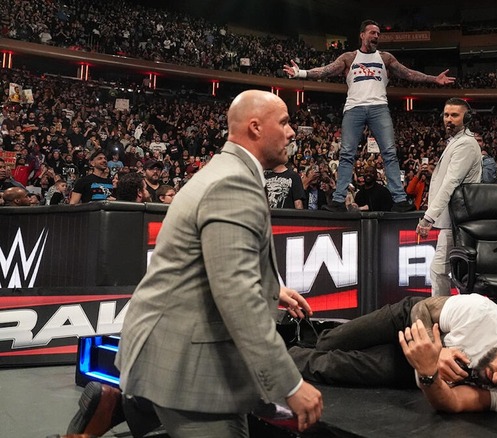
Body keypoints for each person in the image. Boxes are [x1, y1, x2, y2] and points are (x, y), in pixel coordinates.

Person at [67, 90, 323, 437]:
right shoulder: (234, 183)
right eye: (284, 122)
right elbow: (236, 294)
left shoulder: (226, 170)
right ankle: (117, 408)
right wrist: (290, 384)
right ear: (255, 127)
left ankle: (116, 407)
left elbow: (214, 260)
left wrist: (273, 288)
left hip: (168, 346)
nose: (292, 132)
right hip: (184, 364)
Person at [289, 294, 497, 434]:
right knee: (330, 342)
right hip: (408, 318)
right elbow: (423, 308)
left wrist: (429, 370)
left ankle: (280, 355)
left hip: (416, 367)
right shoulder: (482, 314)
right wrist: (437, 348)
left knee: (329, 366)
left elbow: (452, 402)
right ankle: (305, 335)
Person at [284, 19, 455, 213]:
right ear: (362, 35)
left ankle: (400, 200)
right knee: (347, 154)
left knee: (389, 153)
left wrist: (433, 78)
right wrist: (301, 73)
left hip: (379, 107)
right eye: (372, 32)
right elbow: (325, 71)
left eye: (378, 34)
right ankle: (338, 201)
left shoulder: (385, 58)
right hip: (354, 108)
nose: (376, 36)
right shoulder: (349, 57)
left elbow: (408, 73)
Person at [416, 98, 482, 297]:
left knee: (442, 271)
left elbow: (450, 183)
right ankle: (448, 312)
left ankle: (443, 313)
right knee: (447, 271)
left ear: (466, 118)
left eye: (454, 115)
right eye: (446, 115)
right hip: (453, 220)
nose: (449, 119)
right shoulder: (457, 142)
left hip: (458, 220)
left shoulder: (465, 144)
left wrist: (428, 218)